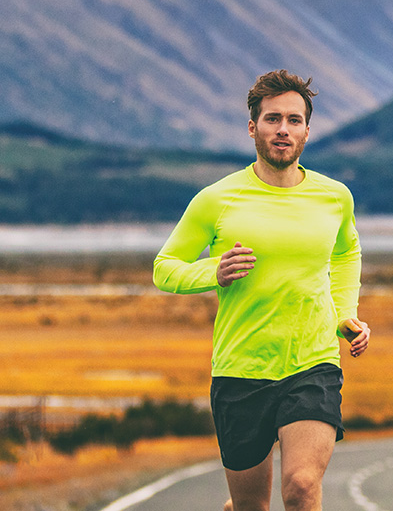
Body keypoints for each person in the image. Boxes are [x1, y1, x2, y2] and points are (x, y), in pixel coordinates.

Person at [153, 69, 369, 511]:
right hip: (241, 369)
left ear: (308, 130)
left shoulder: (335, 197)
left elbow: (347, 253)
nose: (283, 130)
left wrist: (343, 313)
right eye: (273, 119)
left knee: (301, 487)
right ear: (253, 127)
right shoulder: (217, 199)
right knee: (252, 506)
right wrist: (213, 271)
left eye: (293, 120)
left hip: (312, 362)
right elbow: (164, 268)